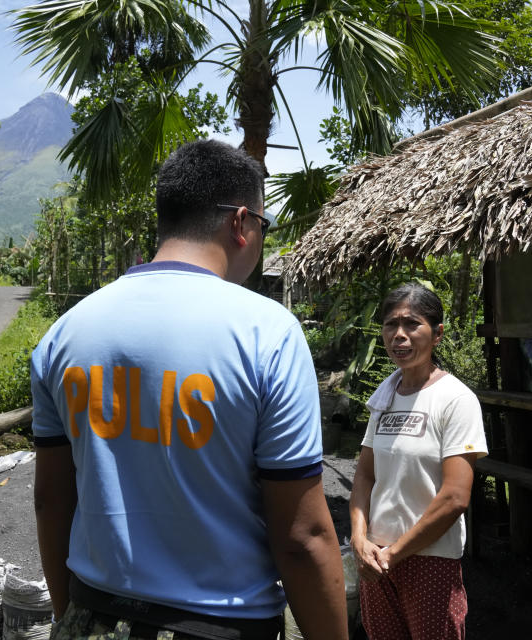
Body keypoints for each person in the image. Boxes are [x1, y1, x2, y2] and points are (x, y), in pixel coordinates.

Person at [30, 139, 347, 640]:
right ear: (241, 224)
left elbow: (51, 499)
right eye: (263, 226)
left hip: (92, 612)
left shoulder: (65, 333)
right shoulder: (268, 333)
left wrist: (72, 615)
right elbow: (302, 537)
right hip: (223, 624)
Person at [349, 283, 487, 640]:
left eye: (412, 324)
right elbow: (364, 476)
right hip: (376, 558)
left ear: (437, 334)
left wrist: (395, 553)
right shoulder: (385, 396)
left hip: (430, 561)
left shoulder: (455, 400)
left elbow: (455, 497)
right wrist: (359, 538)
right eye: (390, 325)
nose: (399, 336)